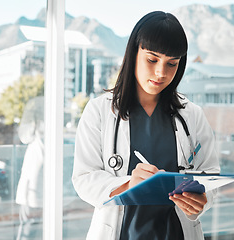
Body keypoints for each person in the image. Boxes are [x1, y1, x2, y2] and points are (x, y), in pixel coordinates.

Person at [72, 11, 220, 240]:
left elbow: (210, 176)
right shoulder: (99, 111)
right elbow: (84, 178)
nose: (161, 72)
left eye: (172, 64)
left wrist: (201, 199)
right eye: (152, 60)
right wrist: (129, 184)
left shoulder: (193, 115)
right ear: (133, 53)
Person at [16, 96, 44, 240]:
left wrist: (32, 120)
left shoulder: (34, 106)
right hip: (42, 181)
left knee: (28, 225)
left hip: (35, 179)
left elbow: (24, 136)